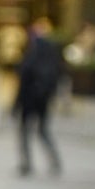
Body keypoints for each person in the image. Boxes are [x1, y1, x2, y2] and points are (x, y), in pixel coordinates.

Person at [13, 18, 64, 176]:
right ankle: (54, 160)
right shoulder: (51, 56)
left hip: (29, 100)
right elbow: (58, 77)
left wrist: (16, 103)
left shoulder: (32, 56)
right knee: (43, 131)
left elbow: (23, 80)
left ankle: (26, 163)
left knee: (24, 132)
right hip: (43, 101)